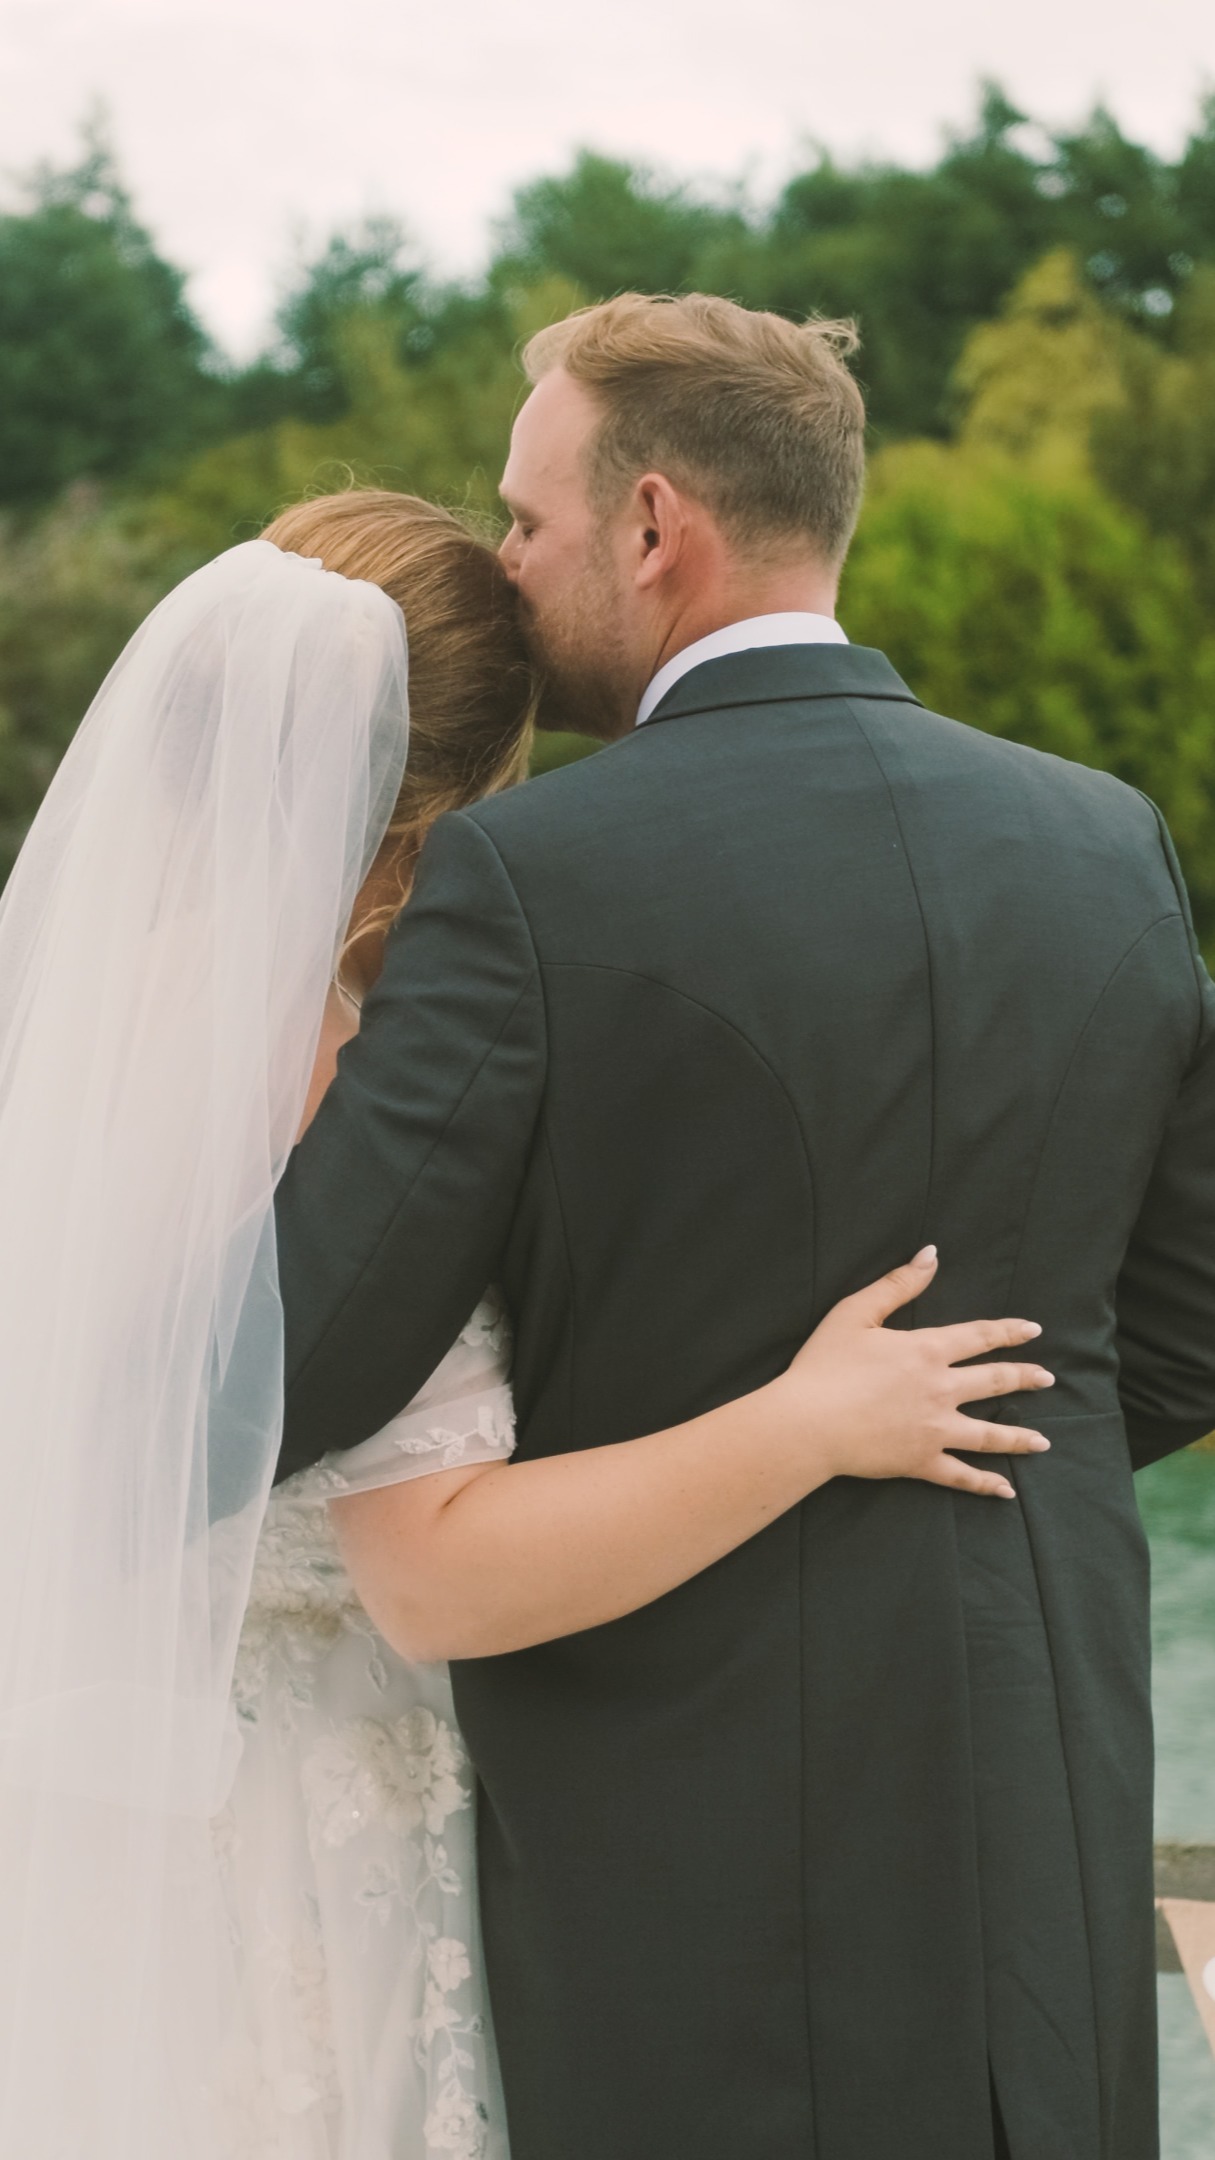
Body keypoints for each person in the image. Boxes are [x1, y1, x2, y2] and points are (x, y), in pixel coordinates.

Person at [274, 297, 1215, 2160]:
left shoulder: (530, 880)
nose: (511, 568)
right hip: (1038, 1812)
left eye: (527, 522)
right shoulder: (1107, 840)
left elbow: (301, 1367)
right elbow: (1178, 1324)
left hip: (680, 1841)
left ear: (649, 525)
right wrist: (937, 1440)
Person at [0, 485, 1046, 2160]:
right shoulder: (344, 1051)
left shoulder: (60, 1014)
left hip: (86, 1847)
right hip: (305, 1866)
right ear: (476, 774)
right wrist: (810, 1420)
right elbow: (433, 1569)